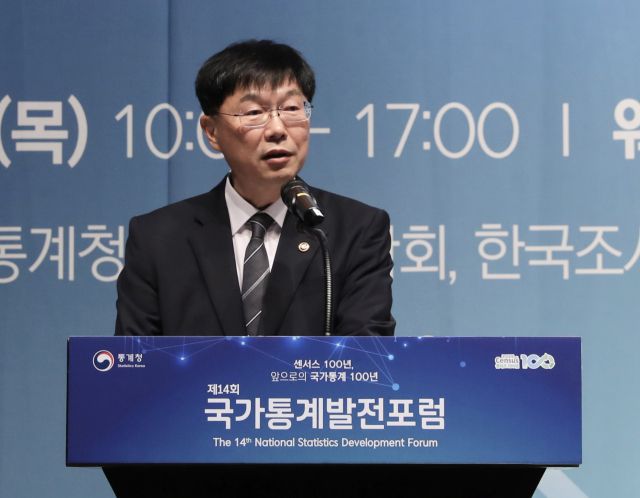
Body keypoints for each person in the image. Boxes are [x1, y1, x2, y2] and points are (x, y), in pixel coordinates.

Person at [115, 39, 394, 337]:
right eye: (253, 113)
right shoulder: (158, 238)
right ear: (212, 131)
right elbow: (134, 358)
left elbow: (368, 353)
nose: (277, 129)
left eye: (291, 108)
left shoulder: (355, 230)